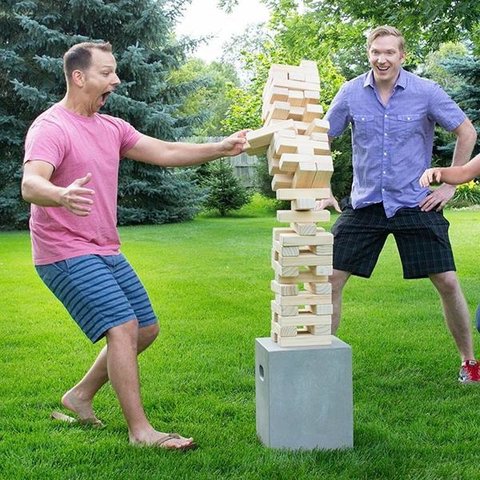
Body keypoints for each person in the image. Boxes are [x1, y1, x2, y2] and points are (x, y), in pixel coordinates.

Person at [21, 41, 248, 450]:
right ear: (79, 77)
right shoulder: (51, 127)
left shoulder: (112, 127)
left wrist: (219, 148)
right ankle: (141, 432)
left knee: (145, 329)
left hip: (104, 247)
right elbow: (31, 182)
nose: (116, 79)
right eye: (106, 72)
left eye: (115, 71)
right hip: (63, 249)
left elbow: (165, 150)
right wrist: (60, 195)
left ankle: (80, 395)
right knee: (122, 327)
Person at [319, 25, 480, 383]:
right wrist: (323, 186)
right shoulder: (349, 93)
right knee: (329, 278)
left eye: (389, 52)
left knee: (448, 283)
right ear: (368, 53)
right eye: (376, 52)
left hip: (415, 203)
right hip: (366, 205)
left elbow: (466, 132)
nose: (382, 58)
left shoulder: (426, 92)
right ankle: (322, 360)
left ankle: (469, 362)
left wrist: (450, 187)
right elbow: (320, 139)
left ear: (402, 56)